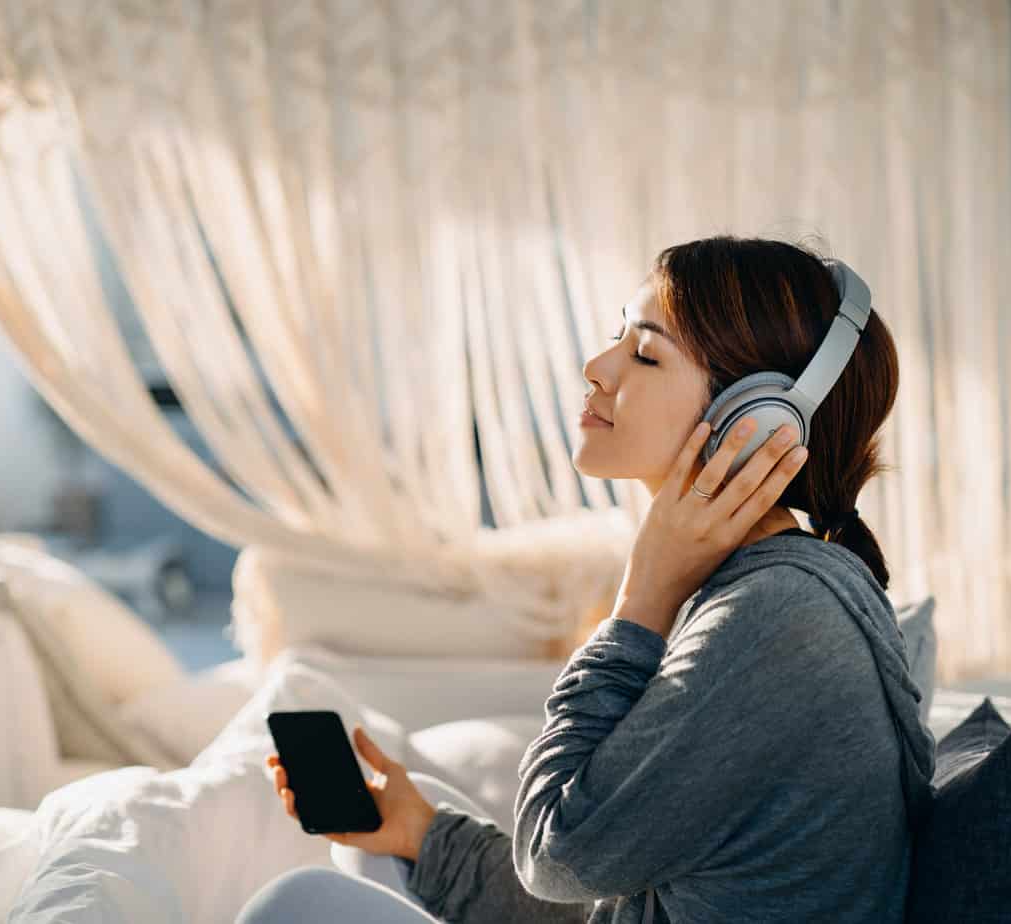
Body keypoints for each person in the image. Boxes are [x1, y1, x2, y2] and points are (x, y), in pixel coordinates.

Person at [239, 235, 936, 923]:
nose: (596, 367)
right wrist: (425, 837)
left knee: (295, 906)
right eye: (616, 337)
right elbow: (610, 888)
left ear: (753, 425)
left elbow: (557, 855)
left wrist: (642, 598)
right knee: (393, 841)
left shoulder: (778, 615)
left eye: (645, 353)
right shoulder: (769, 591)